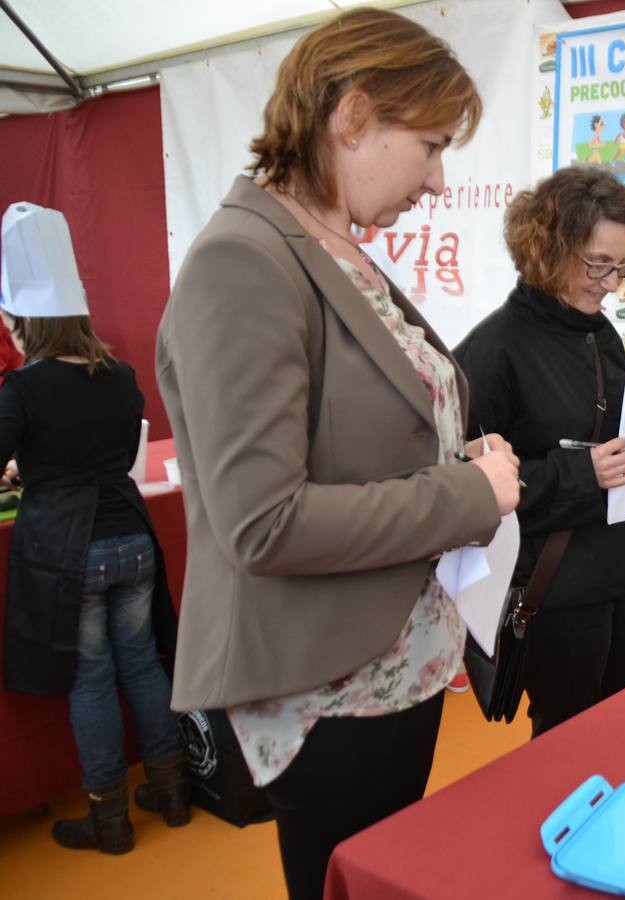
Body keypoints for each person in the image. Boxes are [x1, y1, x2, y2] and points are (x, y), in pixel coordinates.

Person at [155, 10, 520, 898]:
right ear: (352, 117)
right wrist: (467, 494)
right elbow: (264, 523)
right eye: (430, 146)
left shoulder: (332, 248)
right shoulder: (245, 261)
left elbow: (355, 432)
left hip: (396, 659)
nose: (437, 181)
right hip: (331, 681)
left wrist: (451, 450)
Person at [452, 167, 625, 737]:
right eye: (598, 264)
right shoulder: (492, 350)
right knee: (567, 737)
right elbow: (466, 492)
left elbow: (619, 447)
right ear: (548, 247)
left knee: (621, 724)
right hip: (554, 583)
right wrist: (580, 472)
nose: (613, 283)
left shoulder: (599, 332)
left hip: (617, 568)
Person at [0, 202, 186, 854]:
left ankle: (108, 819)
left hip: (69, 548)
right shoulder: (121, 376)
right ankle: (171, 790)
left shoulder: (21, 390)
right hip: (132, 536)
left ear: (25, 322)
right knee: (141, 663)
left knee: (91, 680)